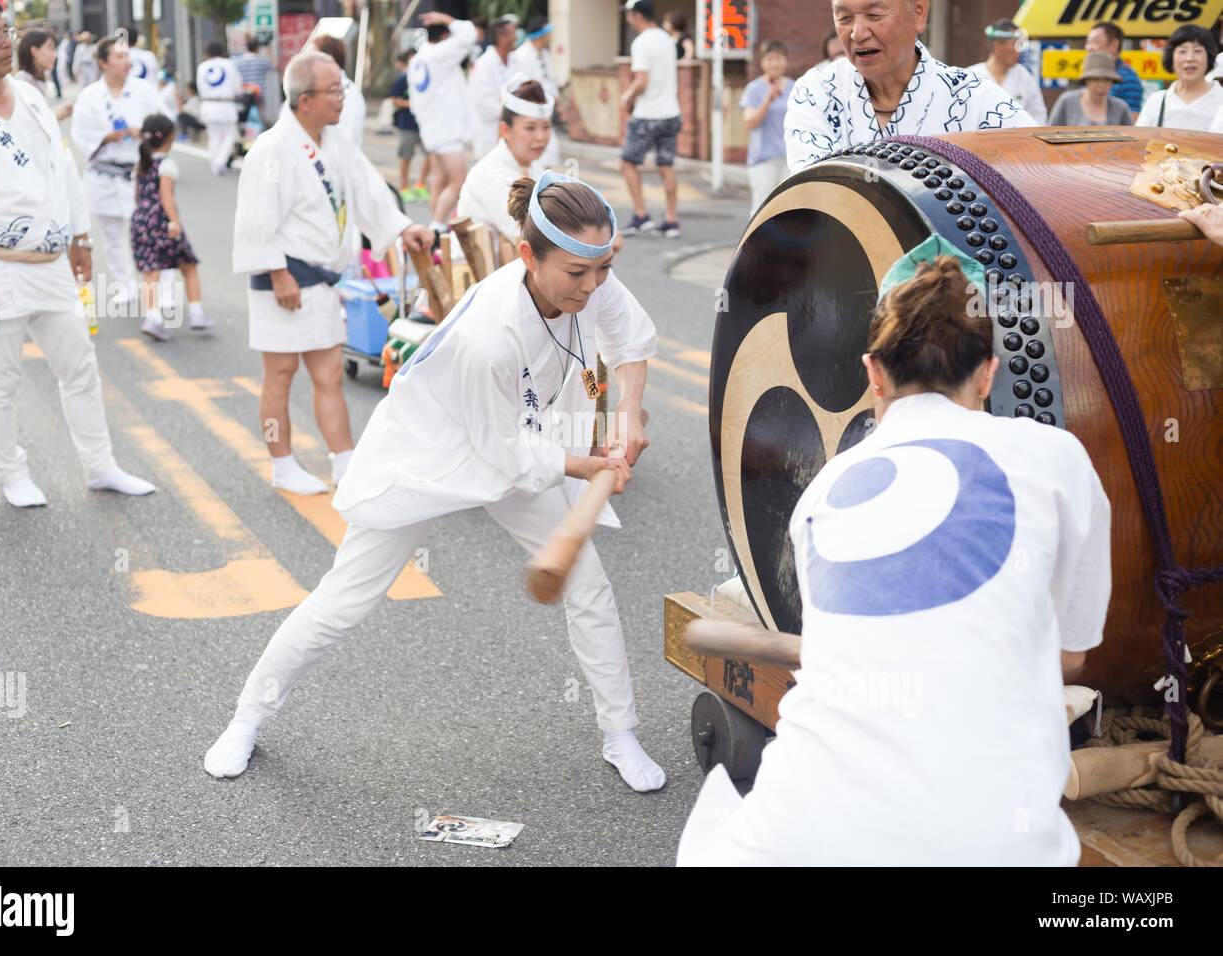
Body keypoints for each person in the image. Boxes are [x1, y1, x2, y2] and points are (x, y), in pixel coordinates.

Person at [205, 170, 667, 794]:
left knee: (588, 586)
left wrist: (626, 415)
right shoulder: (489, 337)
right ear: (527, 254)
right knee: (343, 603)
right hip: (429, 455)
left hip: (518, 444)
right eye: (576, 275)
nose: (591, 287)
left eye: (600, 270)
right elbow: (504, 454)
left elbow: (630, 336)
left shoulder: (587, 275)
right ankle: (246, 718)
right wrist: (588, 464)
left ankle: (621, 734)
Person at [676, 240, 1111, 865]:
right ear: (988, 372)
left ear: (872, 371)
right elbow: (1070, 660)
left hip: (797, 841)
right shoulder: (1059, 459)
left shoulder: (821, 495)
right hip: (1000, 847)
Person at [0, 0, 156, 508]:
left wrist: (79, 238)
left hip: (49, 262)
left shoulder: (30, 101)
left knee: (79, 365)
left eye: (5, 30)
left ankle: (100, 465)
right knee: (0, 378)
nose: (7, 41)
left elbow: (63, 171)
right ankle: (11, 473)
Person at [232, 51, 434, 495]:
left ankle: (345, 462)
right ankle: (280, 463)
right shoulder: (272, 148)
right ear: (305, 99)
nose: (343, 98)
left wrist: (404, 228)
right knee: (279, 375)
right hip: (282, 279)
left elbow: (369, 193)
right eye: (334, 91)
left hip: (323, 280)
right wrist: (277, 274)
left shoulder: (335, 140)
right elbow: (255, 219)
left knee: (326, 374)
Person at [784, 0, 1034, 177]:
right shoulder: (818, 93)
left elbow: (1040, 171)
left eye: (874, 15)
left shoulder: (976, 99)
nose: (857, 33)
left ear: (919, 13)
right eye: (844, 18)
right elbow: (812, 193)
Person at [70, 34, 161, 312]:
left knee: (146, 233)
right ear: (102, 63)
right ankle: (125, 285)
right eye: (119, 57)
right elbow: (80, 135)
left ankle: (154, 287)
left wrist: (143, 134)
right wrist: (105, 138)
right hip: (103, 173)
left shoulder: (144, 90)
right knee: (111, 235)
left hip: (137, 172)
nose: (126, 62)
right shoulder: (89, 96)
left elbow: (162, 126)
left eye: (127, 56)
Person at [131, 113, 210, 340]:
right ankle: (196, 312)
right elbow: (166, 196)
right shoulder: (167, 164)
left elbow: (137, 195)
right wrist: (174, 221)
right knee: (188, 264)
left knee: (150, 272)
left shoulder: (140, 163)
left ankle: (153, 317)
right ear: (170, 138)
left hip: (141, 221)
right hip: (162, 222)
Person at [458, 77, 552, 251]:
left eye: (546, 127)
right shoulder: (489, 174)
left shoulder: (534, 166)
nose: (541, 137)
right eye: (530, 128)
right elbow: (530, 235)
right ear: (506, 130)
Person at [408, 11, 477, 235]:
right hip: (446, 129)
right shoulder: (441, 54)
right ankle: (437, 227)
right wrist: (448, 18)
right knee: (458, 183)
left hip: (430, 127)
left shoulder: (417, 59)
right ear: (446, 35)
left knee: (439, 180)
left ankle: (436, 222)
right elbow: (469, 35)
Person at [620, 0, 682, 238]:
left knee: (628, 163)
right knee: (666, 167)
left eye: (628, 15)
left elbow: (642, 82)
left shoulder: (641, 42)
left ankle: (641, 216)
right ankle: (672, 220)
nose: (627, 19)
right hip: (671, 114)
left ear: (637, 15)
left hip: (647, 115)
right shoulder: (667, 39)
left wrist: (627, 96)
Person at [1136, 25, 1223, 131]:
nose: (1189, 58)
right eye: (1182, 51)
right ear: (1171, 58)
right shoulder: (1157, 100)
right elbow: (1140, 142)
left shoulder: (1220, 99)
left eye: (1197, 51)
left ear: (1209, 57)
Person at [740, 38, 792, 215]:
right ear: (762, 62)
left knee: (789, 208)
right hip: (763, 159)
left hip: (790, 159)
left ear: (786, 60)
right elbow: (750, 122)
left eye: (779, 58)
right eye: (770, 59)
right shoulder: (754, 89)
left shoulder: (795, 87)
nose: (775, 63)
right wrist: (767, 100)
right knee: (762, 210)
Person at [968, 18, 1046, 125]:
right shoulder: (971, 76)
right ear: (998, 46)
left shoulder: (1024, 77)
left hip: (1019, 140)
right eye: (1015, 44)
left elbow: (1038, 115)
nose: (1019, 51)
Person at [510, 16, 562, 170]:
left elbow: (549, 82)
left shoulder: (545, 55)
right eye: (549, 32)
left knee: (550, 152)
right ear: (541, 35)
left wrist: (558, 103)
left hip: (544, 111)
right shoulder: (522, 56)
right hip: (530, 112)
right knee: (535, 154)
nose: (551, 36)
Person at [468, 16, 519, 157]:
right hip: (489, 134)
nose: (517, 37)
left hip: (512, 132)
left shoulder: (516, 61)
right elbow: (483, 103)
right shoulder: (483, 65)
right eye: (514, 33)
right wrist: (514, 109)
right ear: (502, 38)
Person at [309, 33, 364, 151]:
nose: (307, 62)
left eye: (312, 56)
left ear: (328, 57)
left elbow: (348, 135)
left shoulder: (347, 91)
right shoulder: (323, 87)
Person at [1047, 51, 1132, 127]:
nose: (1101, 85)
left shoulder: (1121, 108)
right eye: (1095, 79)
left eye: (1107, 79)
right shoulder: (1067, 101)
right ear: (1087, 80)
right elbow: (1050, 135)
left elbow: (1131, 141)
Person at [389, 50, 430, 202]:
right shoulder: (404, 78)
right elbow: (393, 99)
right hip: (407, 124)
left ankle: (421, 184)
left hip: (425, 124)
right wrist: (411, 104)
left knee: (431, 154)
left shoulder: (426, 76)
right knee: (406, 156)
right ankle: (404, 187)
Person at [196, 41, 242, 176]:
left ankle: (216, 163)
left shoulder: (202, 67)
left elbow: (200, 88)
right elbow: (237, 87)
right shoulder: (230, 64)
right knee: (230, 134)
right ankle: (220, 161)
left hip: (208, 104)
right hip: (226, 104)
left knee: (213, 136)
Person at [1085, 20, 1142, 120]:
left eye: (1095, 42)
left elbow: (1132, 119)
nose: (1089, 48)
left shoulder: (1128, 77)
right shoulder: (1087, 72)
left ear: (1114, 45)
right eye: (1088, 42)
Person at [14, 27, 71, 119]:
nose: (55, 55)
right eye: (51, 48)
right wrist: (56, 115)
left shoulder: (35, 79)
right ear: (34, 51)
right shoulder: (23, 80)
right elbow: (29, 122)